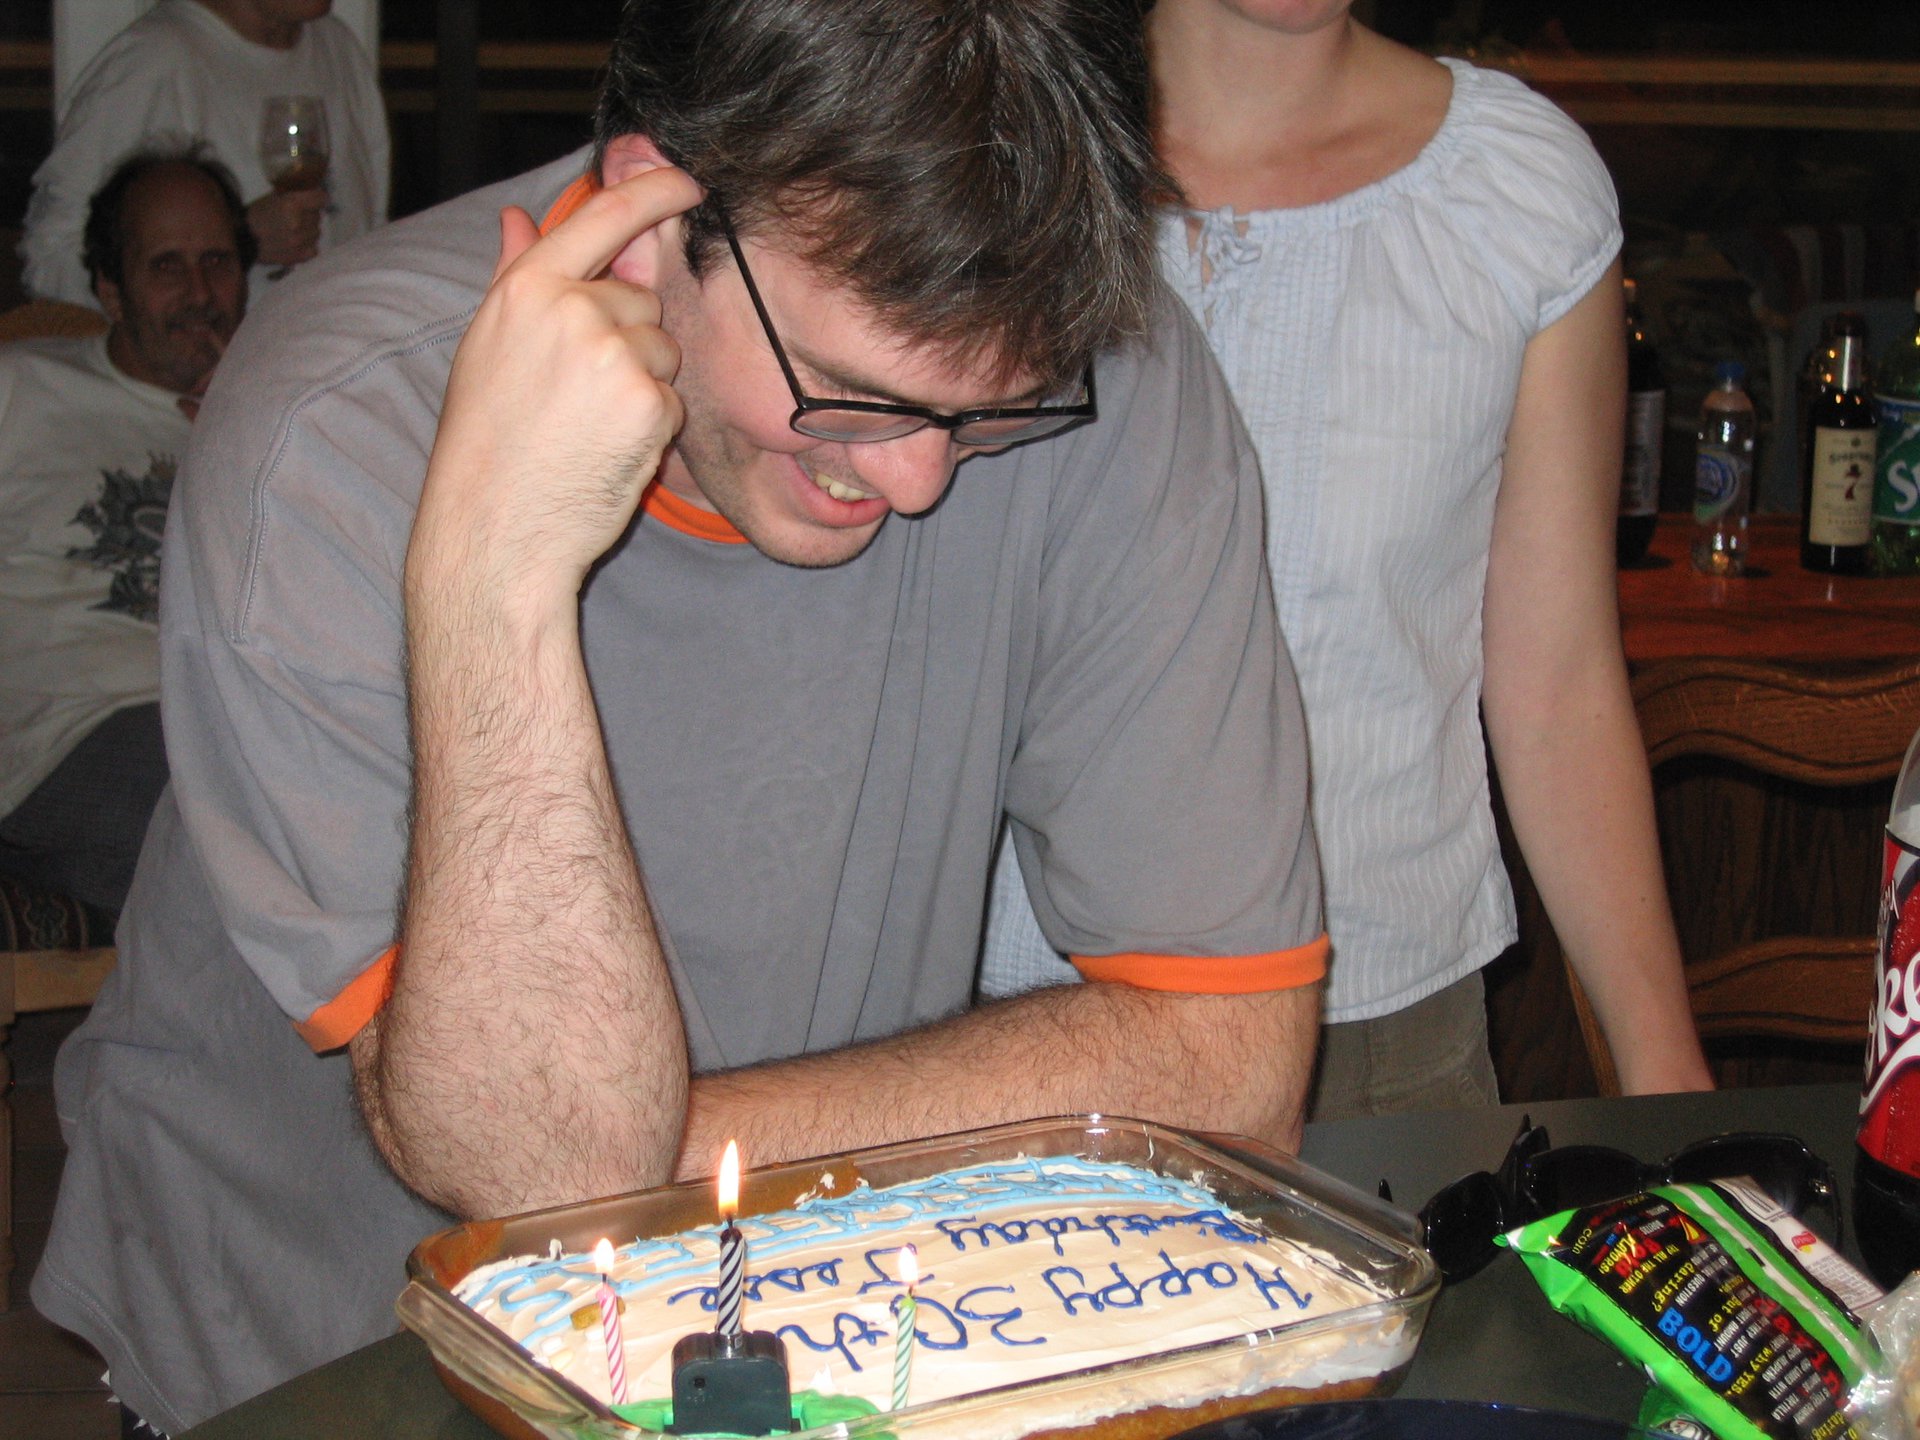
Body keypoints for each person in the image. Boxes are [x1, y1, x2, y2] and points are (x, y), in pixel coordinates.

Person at [32, 1, 1329, 1431]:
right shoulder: (333, 427)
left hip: (775, 1322)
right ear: (654, 223)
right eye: (851, 394)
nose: (918, 482)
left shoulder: (1079, 358)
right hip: (310, 1352)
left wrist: (648, 1155)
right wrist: (496, 574)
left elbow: (1230, 1072)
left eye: (988, 412)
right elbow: (546, 1168)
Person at [981, 0, 1713, 1112]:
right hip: (999, 1028)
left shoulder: (1514, 188)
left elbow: (1557, 681)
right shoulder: (980, 136)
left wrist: (1662, 1064)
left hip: (1378, 1033)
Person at [0, 149, 251, 919]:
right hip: (77, 736)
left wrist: (246, 435)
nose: (200, 293)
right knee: (231, 838)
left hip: (241, 724)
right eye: (167, 266)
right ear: (110, 290)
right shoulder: (23, 389)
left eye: (217, 262)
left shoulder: (273, 413)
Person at [20, 0, 387, 308]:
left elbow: (373, 231)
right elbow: (51, 262)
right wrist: (239, 242)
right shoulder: (153, 64)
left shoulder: (338, 49)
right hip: (215, 370)